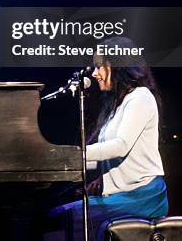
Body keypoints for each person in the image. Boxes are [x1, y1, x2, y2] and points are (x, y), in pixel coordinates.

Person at [46, 37, 168, 241]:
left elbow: (120, 146)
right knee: (55, 216)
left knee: (60, 218)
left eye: (99, 67)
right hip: (124, 194)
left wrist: (73, 153)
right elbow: (104, 155)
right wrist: (65, 162)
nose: (94, 74)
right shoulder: (118, 105)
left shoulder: (141, 97)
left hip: (142, 195)